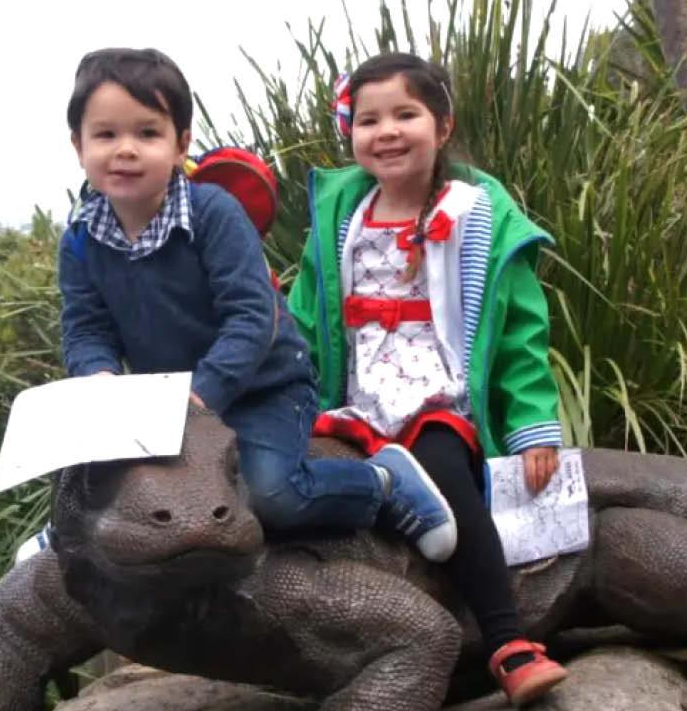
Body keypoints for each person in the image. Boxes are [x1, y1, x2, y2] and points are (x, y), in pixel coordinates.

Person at [57, 47, 458, 562]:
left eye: (147, 133)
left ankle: (381, 484)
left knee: (272, 496)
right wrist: (98, 373)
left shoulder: (212, 214)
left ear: (181, 145)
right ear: (78, 145)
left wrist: (204, 394)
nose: (126, 150)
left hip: (262, 386)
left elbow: (252, 316)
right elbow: (86, 328)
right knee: (123, 496)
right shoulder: (80, 240)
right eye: (106, 135)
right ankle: (62, 546)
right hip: (163, 406)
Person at [288, 52, 569, 705]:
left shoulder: (476, 214)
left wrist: (533, 427)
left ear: (441, 126)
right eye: (368, 120)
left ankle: (508, 642)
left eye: (404, 114)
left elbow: (523, 333)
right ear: (350, 133)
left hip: (435, 392)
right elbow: (304, 315)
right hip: (355, 399)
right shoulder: (340, 219)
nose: (385, 131)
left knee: (447, 470)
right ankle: (381, 492)